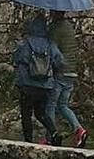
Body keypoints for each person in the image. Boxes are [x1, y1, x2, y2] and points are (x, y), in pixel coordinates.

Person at [13, 14, 63, 145]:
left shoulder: (25, 43)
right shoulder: (50, 44)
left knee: (26, 114)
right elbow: (59, 61)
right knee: (41, 113)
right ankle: (54, 132)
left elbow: (17, 59)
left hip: (27, 85)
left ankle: (28, 141)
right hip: (45, 86)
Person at [47, 10, 88, 147]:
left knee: (51, 105)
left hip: (60, 72)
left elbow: (52, 49)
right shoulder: (69, 26)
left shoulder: (55, 28)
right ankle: (79, 129)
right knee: (63, 105)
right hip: (72, 72)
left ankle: (50, 136)